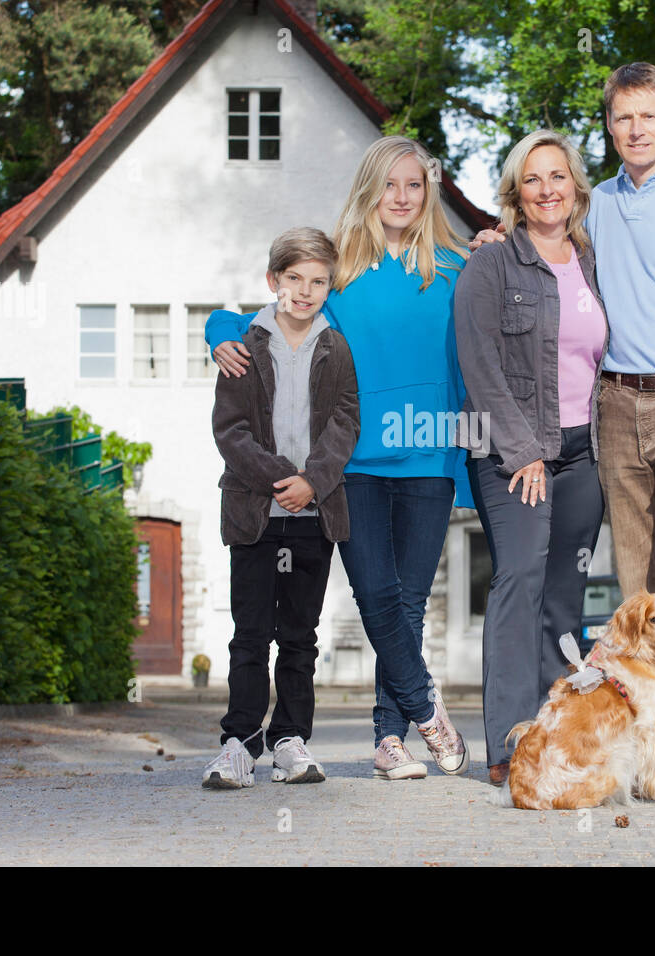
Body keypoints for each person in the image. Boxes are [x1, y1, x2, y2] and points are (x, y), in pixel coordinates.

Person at [470, 62, 655, 785]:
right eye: (622, 117)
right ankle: (646, 737)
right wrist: (489, 245)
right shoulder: (596, 209)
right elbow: (542, 244)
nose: (635, 129)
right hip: (615, 409)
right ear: (608, 125)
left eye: (647, 115)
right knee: (638, 591)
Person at [206, 137, 471, 781]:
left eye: (414, 185)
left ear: (427, 191)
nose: (402, 197)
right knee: (376, 593)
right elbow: (255, 315)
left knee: (409, 602)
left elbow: (480, 351)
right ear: (369, 192)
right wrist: (218, 332)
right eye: (389, 185)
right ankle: (426, 708)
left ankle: (389, 738)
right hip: (351, 464)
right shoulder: (342, 271)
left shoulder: (457, 269)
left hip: (430, 455)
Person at [453, 130, 608, 785]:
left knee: (564, 596)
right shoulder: (491, 265)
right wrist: (524, 452)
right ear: (516, 192)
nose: (547, 189)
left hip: (585, 453)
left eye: (558, 176)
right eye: (533, 179)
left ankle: (559, 736)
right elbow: (478, 362)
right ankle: (510, 745)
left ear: (576, 185)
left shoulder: (594, 259)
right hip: (510, 451)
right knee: (520, 580)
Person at [204, 227, 360, 789]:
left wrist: (313, 484)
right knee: (250, 634)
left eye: (318, 281)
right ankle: (238, 743)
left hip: (311, 517)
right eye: (294, 278)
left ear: (329, 287)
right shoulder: (244, 344)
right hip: (255, 515)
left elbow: (346, 422)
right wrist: (282, 480)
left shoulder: (335, 348)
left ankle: (290, 740)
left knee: (299, 635)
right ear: (274, 280)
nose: (305, 290)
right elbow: (231, 431)